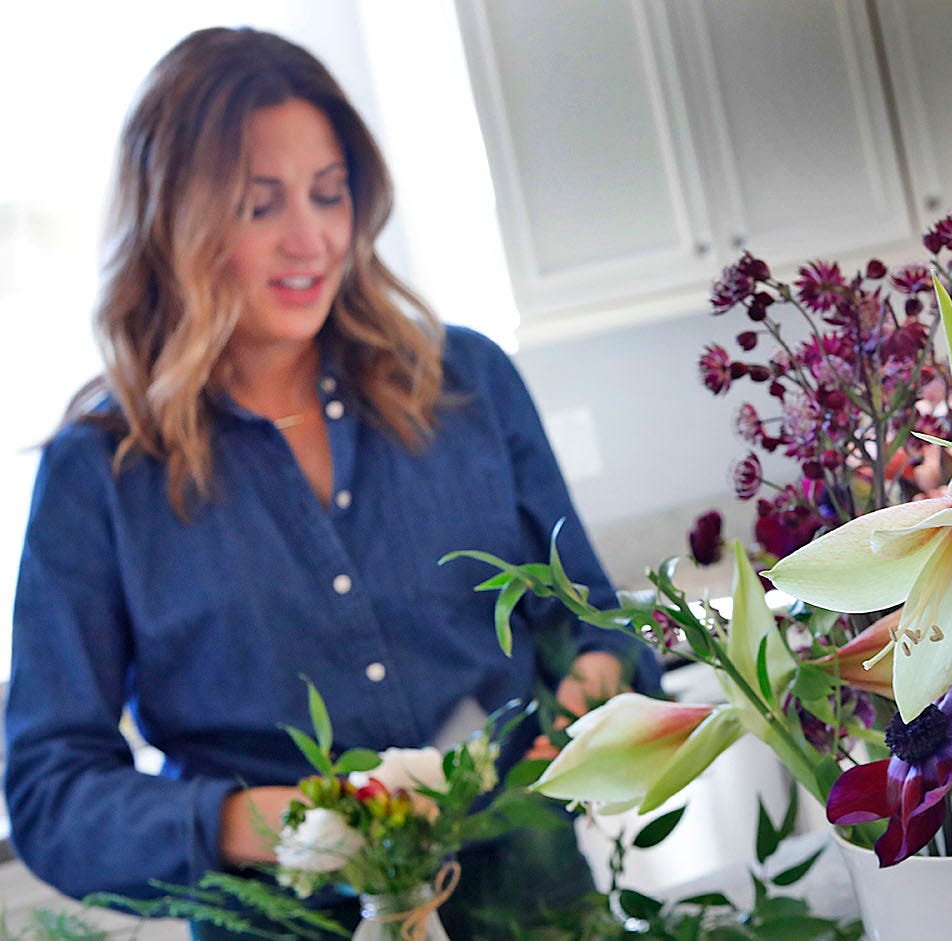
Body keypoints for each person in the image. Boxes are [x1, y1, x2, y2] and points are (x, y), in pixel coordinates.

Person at [2, 26, 659, 936]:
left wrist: (590, 689)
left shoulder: (466, 382)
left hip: (540, 907)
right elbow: (49, 791)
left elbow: (586, 615)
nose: (311, 239)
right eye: (259, 205)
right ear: (175, 222)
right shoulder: (100, 476)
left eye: (329, 194)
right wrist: (286, 824)